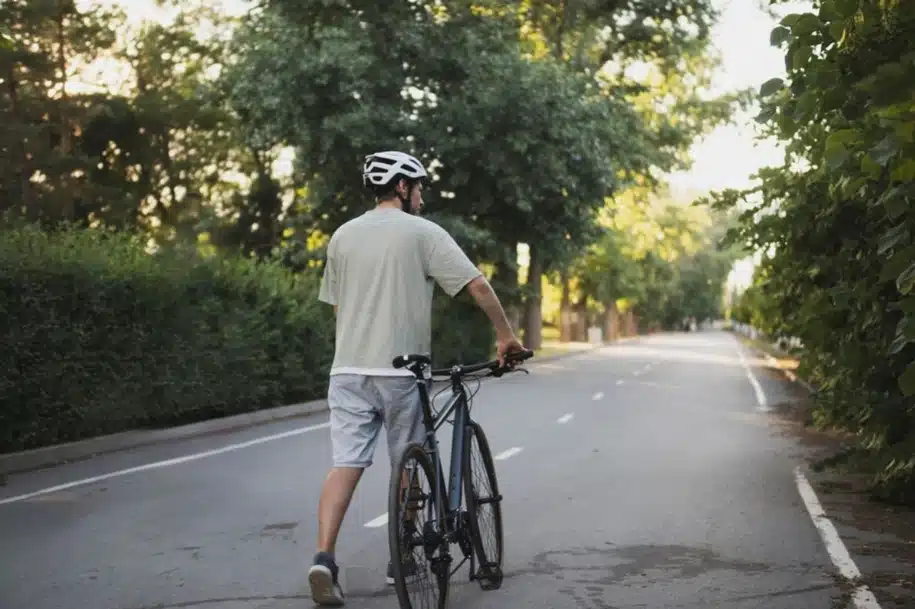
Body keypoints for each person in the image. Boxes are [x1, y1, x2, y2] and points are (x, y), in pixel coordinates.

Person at [307, 150, 526, 606]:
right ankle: (402, 558)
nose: (422, 195)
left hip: (346, 370)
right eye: (419, 186)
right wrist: (506, 337)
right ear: (403, 188)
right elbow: (477, 286)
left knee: (345, 463)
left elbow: (338, 307)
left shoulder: (342, 236)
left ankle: (324, 559)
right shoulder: (423, 233)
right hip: (400, 370)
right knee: (411, 459)